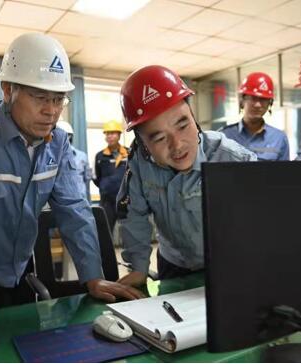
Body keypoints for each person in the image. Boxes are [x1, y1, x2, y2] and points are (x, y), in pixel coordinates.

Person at [0, 33, 143, 354]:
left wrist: (92, 277)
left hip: (19, 274)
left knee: (25, 351)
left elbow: (74, 211)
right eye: (41, 97)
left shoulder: (58, 143)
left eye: (59, 100)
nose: (51, 112)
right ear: (8, 89)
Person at [115, 65, 257, 288]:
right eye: (159, 138)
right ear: (142, 144)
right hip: (173, 264)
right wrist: (138, 268)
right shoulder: (139, 165)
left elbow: (263, 219)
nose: (177, 145)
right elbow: (134, 216)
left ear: (194, 117)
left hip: (228, 264)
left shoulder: (231, 158)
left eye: (183, 125)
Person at [220, 72, 289, 161]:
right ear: (242, 101)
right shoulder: (225, 136)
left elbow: (285, 173)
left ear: (270, 104)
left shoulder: (279, 138)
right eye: (253, 98)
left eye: (263, 99)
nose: (257, 105)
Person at [93, 120, 129, 233]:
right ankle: (107, 251)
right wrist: (106, 187)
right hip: (107, 201)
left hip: (127, 200)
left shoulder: (129, 153)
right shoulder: (100, 156)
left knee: (131, 233)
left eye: (113, 133)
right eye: (107, 133)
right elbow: (96, 178)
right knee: (105, 232)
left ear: (119, 135)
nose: (110, 136)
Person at [57, 120, 92, 201]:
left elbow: (87, 182)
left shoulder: (82, 156)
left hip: (80, 203)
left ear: (69, 136)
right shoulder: (49, 158)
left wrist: (88, 203)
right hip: (59, 204)